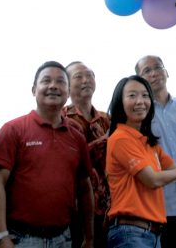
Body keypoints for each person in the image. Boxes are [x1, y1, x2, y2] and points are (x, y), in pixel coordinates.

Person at [0, 60, 94, 247]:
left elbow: (84, 188)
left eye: (60, 82)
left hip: (63, 238)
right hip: (21, 238)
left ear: (68, 91)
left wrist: (89, 237)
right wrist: (0, 235)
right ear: (33, 90)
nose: (53, 86)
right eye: (46, 81)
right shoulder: (13, 129)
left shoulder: (76, 138)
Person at [105, 74, 176, 248]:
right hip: (131, 233)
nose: (140, 101)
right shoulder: (121, 138)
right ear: (119, 102)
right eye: (132, 95)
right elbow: (153, 180)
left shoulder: (149, 143)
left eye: (145, 95)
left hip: (151, 234)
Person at [135, 55, 176, 248]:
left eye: (158, 67)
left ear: (166, 72)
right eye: (147, 71)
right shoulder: (138, 113)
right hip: (153, 207)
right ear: (139, 80)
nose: (154, 73)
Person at [63, 61, 110, 248]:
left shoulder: (106, 119)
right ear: (66, 84)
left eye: (90, 75)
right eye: (78, 76)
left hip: (107, 209)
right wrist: (102, 142)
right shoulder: (61, 118)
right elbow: (65, 159)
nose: (86, 80)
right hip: (75, 209)